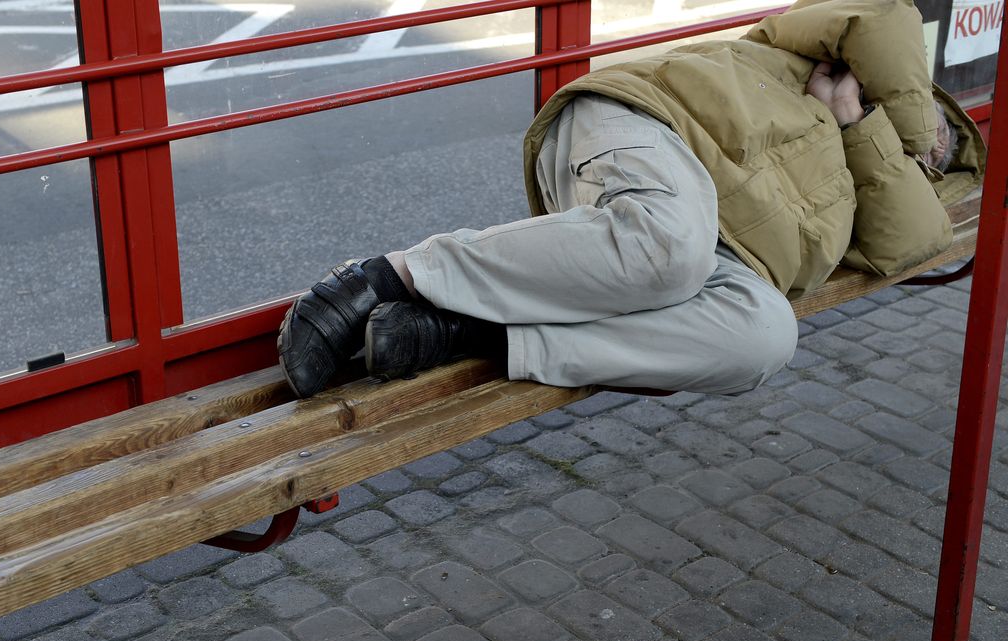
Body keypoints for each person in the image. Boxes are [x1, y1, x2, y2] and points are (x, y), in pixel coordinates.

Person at [276, 0, 986, 399]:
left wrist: (858, 126)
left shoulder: (873, 170)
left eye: (939, 159)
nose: (929, 149)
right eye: (936, 133)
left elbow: (907, 244)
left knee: (768, 337)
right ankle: (382, 278)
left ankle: (471, 332)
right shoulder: (837, 50)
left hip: (713, 248)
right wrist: (905, 113)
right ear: (923, 101)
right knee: (673, 243)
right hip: (647, 131)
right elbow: (884, 14)